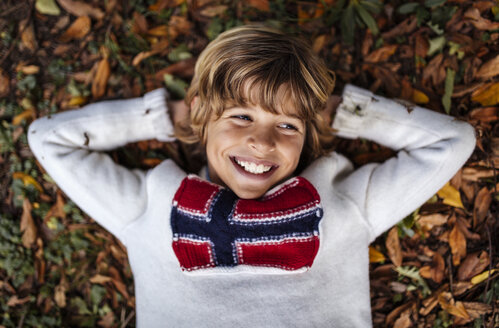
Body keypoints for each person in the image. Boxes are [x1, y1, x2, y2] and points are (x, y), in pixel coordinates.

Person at [28, 25, 475, 327]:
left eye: (287, 125)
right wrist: (169, 116)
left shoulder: (345, 201)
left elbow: (452, 142)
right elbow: (48, 139)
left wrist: (334, 112)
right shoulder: (150, 204)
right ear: (204, 110)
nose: (263, 142)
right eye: (241, 116)